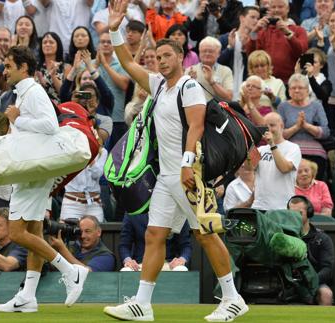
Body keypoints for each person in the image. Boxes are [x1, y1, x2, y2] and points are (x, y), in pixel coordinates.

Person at [103, 2, 248, 321]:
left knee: (205, 234)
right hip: (166, 178)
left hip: (189, 173)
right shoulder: (156, 85)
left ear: (180, 58)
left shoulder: (190, 86)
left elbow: (196, 126)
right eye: (159, 56)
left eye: (168, 56)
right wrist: (114, 28)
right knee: (154, 235)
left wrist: (186, 164)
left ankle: (233, 298)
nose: (162, 60)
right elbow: (126, 62)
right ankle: (142, 303)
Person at [0, 46, 88, 313]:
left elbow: (50, 126)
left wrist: (18, 119)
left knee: (16, 233)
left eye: (9, 65)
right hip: (30, 171)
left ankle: (71, 271)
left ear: (24, 67)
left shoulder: (33, 92)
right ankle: (28, 296)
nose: (5, 70)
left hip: (33, 174)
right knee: (34, 232)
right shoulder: (24, 92)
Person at [278, 74, 330, 181]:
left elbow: (326, 132)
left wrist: (306, 126)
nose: (296, 91)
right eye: (293, 88)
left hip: (314, 153)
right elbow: (278, 135)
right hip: (289, 153)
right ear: (289, 90)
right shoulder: (283, 107)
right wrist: (296, 127)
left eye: (300, 88)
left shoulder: (316, 106)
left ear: (307, 90)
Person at [245, 0, 308, 83]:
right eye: (273, 7)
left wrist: (287, 32)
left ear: (288, 9)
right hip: (266, 81)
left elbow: (302, 52)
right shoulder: (262, 32)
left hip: (291, 81)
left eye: (280, 7)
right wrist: (255, 31)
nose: (276, 10)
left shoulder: (299, 30)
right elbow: (251, 54)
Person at [287, 195, 335, 305]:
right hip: (288, 281)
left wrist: (312, 280)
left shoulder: (322, 238)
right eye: (291, 214)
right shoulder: (284, 236)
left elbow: (327, 268)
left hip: (315, 281)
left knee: (326, 294)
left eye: (299, 213)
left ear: (309, 213)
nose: (294, 217)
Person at [252, 112, 302, 210]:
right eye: (265, 126)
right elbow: (250, 167)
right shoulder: (260, 149)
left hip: (282, 206)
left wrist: (272, 145)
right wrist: (251, 144)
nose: (269, 129)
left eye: (272, 125)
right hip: (260, 206)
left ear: (282, 126)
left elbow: (284, 168)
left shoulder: (293, 148)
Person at [119, 214, 192, 272]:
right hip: (139, 264)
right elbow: (124, 245)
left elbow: (186, 245)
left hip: (169, 264)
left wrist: (182, 259)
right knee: (126, 271)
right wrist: (128, 260)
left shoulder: (176, 211)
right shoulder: (133, 212)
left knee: (181, 270)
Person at [217, 6, 261, 100]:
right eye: (252, 17)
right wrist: (230, 48)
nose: (256, 21)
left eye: (258, 18)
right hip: (226, 90)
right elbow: (217, 64)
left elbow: (255, 67)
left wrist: (246, 49)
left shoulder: (257, 42)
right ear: (242, 18)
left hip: (247, 92)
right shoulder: (225, 38)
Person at [49, 215, 116, 272]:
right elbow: (52, 268)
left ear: (99, 232)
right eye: (80, 232)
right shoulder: (73, 248)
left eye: (87, 231)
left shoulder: (106, 256)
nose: (82, 236)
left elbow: (88, 273)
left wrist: (62, 249)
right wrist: (54, 248)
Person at [185, 36, 233, 101]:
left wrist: (211, 81)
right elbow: (184, 96)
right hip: (197, 109)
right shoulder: (190, 70)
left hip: (218, 109)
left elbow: (229, 97)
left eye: (211, 51)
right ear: (199, 53)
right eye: (204, 51)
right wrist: (190, 82)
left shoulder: (226, 71)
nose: (207, 54)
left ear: (218, 54)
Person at [36, 32, 68, 105]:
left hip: (58, 109)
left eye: (51, 42)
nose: (47, 44)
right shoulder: (36, 67)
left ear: (58, 45)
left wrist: (53, 76)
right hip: (38, 106)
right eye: (44, 42)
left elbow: (64, 95)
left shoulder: (66, 67)